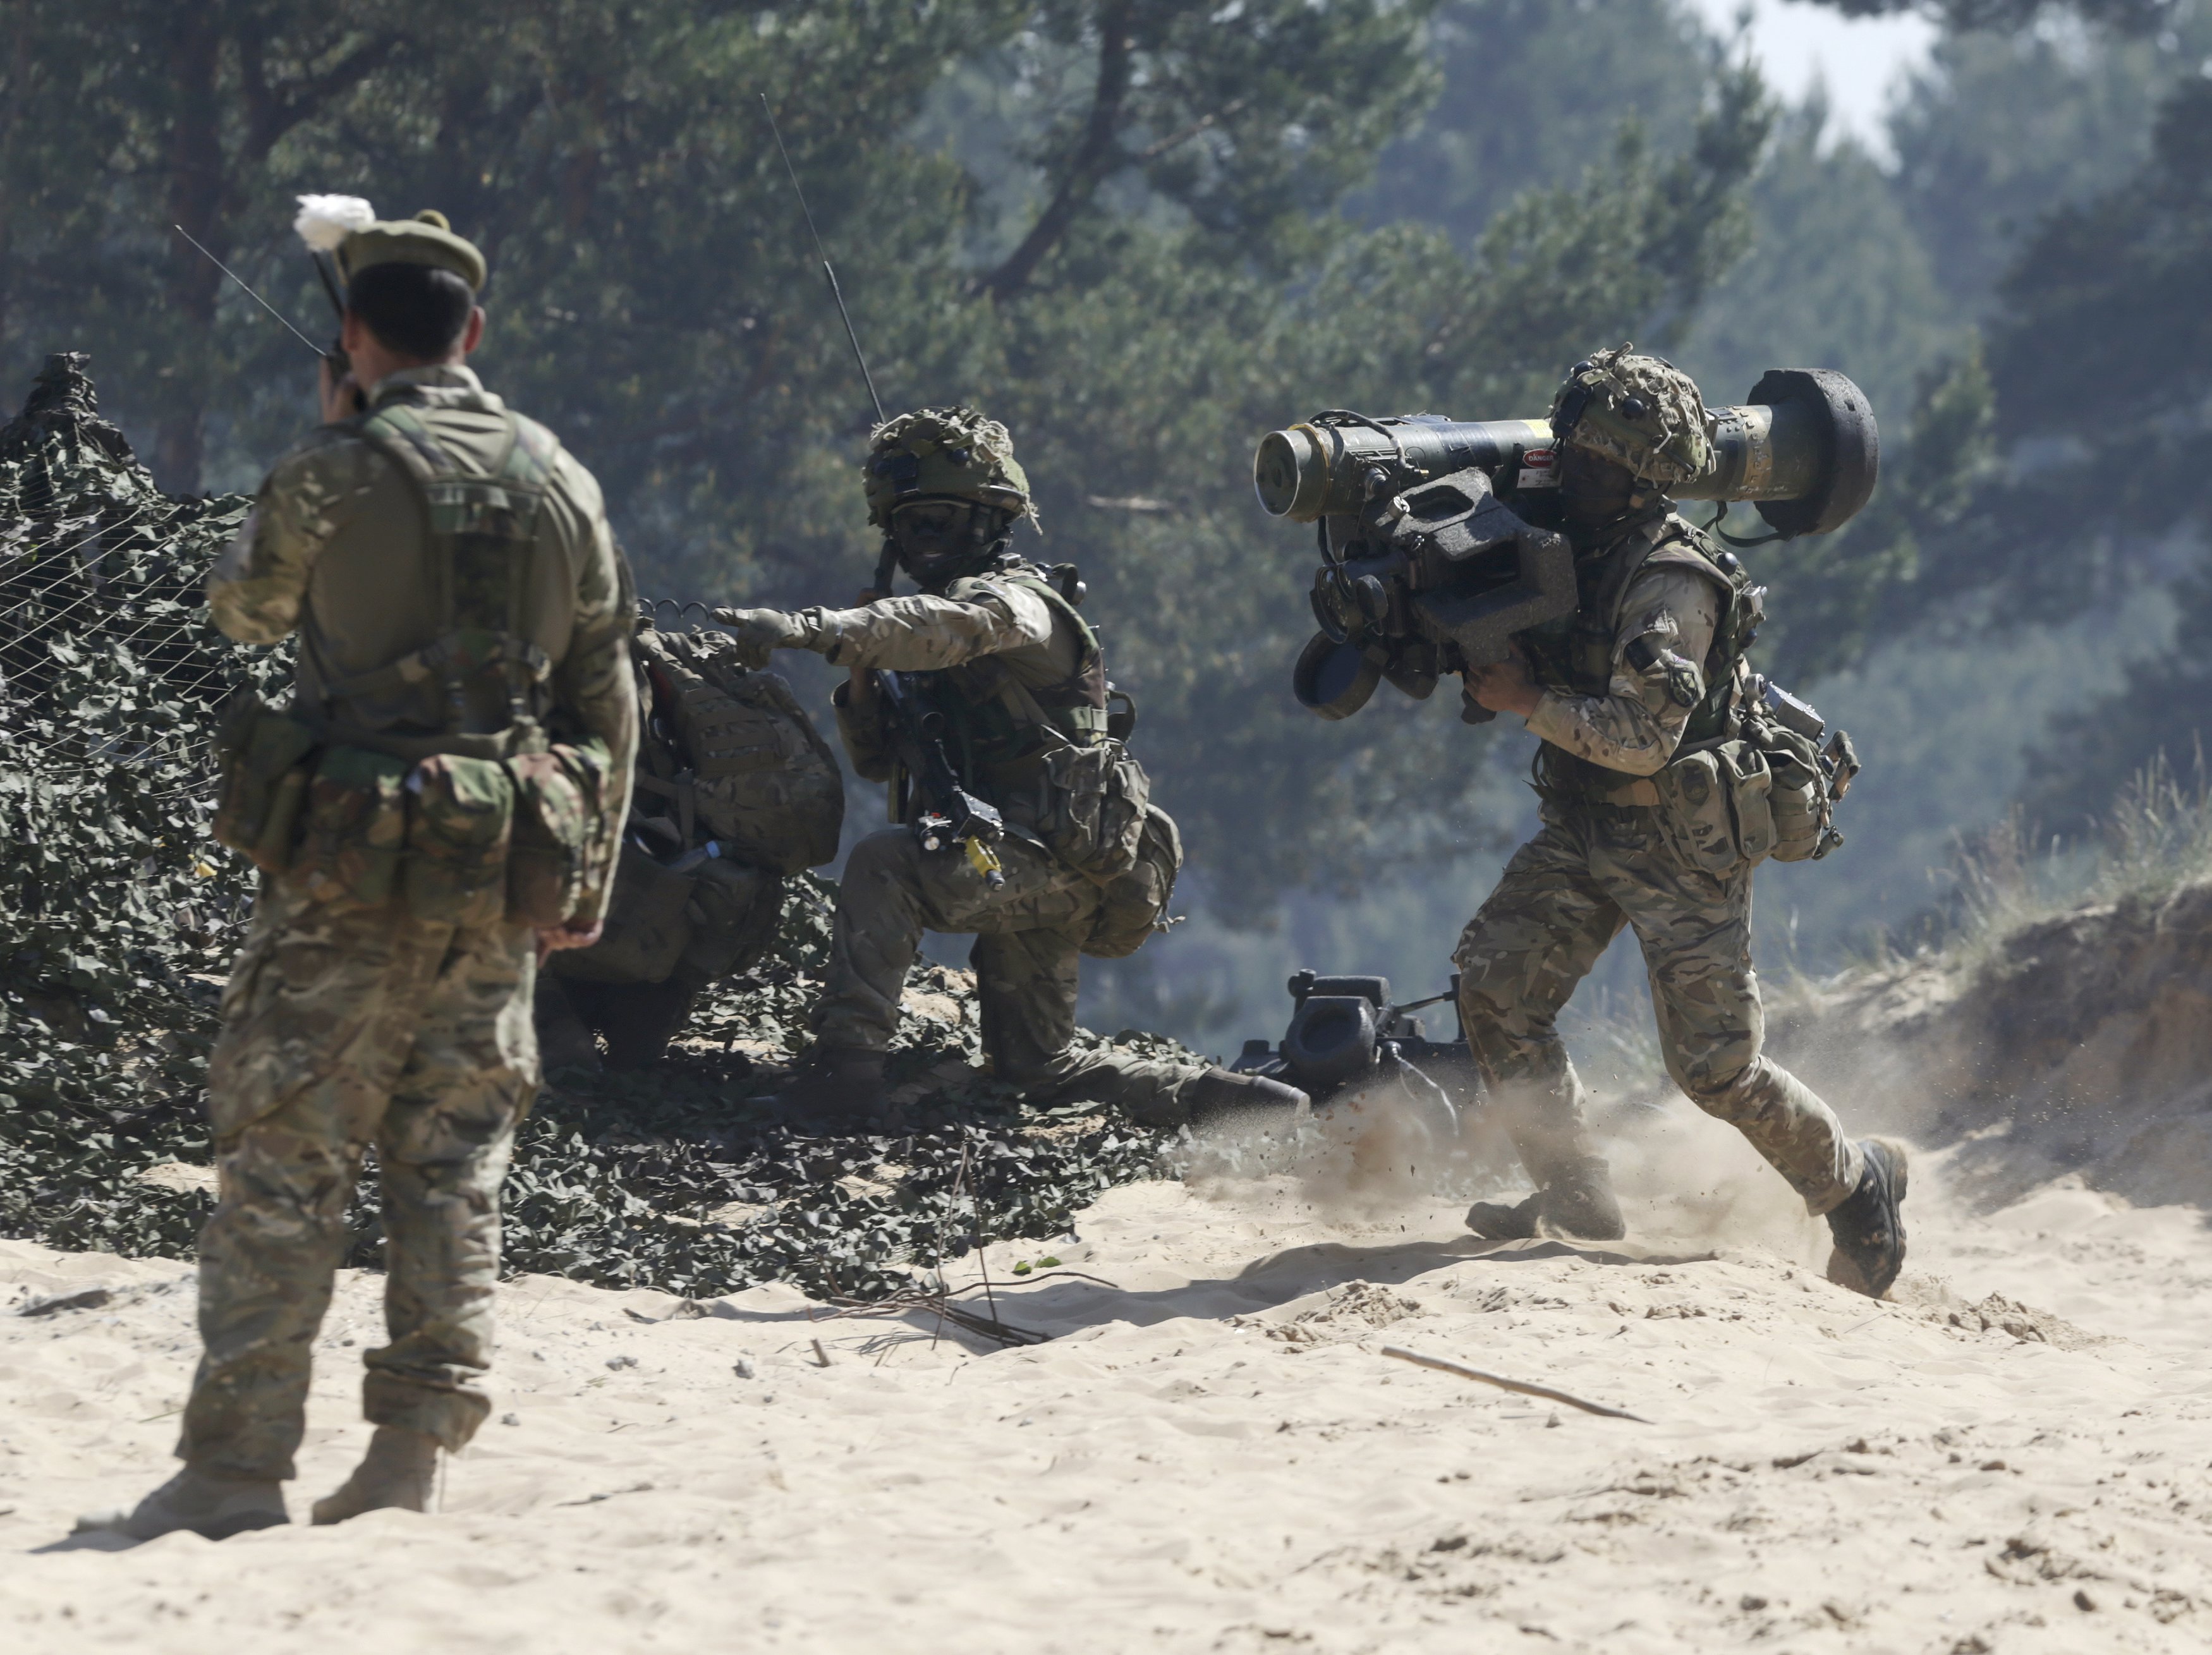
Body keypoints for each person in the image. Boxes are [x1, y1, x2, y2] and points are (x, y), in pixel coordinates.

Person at [80, 202, 636, 1540]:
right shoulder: (563, 479)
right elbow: (606, 688)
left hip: (343, 877)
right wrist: (584, 880)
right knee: (453, 1162)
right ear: (473, 331)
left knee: (285, 1156)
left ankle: (235, 1469)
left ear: (352, 333)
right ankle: (408, 1456)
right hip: (497, 874)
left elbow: (244, 609)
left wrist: (337, 434)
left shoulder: (333, 469)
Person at [1452, 346, 1907, 1296]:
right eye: (1570, 453)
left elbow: (1643, 738)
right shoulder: (1568, 547)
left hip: (1679, 842)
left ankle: (1855, 1183)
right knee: (1495, 985)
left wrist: (1526, 699)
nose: (1570, 474)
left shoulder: (1671, 582)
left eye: (1596, 465)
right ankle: (1576, 1192)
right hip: (1585, 822)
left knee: (1715, 1070)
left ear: (1644, 480)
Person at [712, 406, 1303, 1132]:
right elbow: (874, 761)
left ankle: (846, 1075)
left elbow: (952, 630)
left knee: (883, 865)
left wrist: (818, 630)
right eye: (906, 525)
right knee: (1036, 1069)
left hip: (1056, 863)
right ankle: (1225, 1100)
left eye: (939, 520)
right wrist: (863, 667)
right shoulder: (920, 631)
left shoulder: (1015, 602)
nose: (921, 539)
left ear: (990, 520)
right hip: (1014, 859)